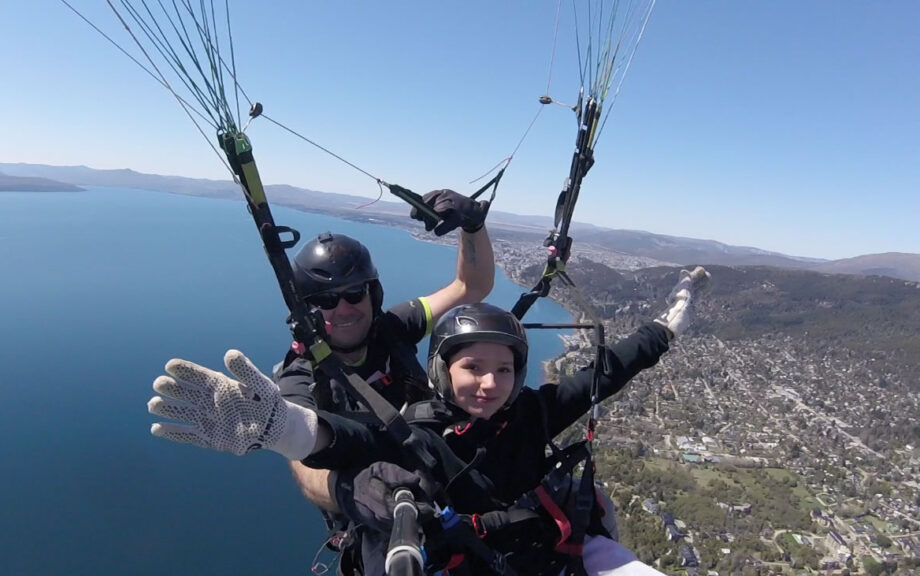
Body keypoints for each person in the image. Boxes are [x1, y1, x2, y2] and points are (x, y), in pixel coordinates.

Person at [148, 267, 711, 575]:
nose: (490, 384)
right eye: (472, 368)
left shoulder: (534, 411)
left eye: (504, 370)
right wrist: (280, 429)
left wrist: (666, 326)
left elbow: (606, 371)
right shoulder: (416, 432)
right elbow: (345, 439)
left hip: (547, 550)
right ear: (442, 372)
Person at [275, 189, 495, 516]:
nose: (344, 308)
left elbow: (470, 287)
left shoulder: (393, 327)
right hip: (383, 519)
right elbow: (301, 454)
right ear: (308, 310)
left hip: (447, 476)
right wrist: (358, 494)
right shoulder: (301, 374)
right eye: (325, 300)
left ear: (372, 294)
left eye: (354, 292)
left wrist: (473, 227)